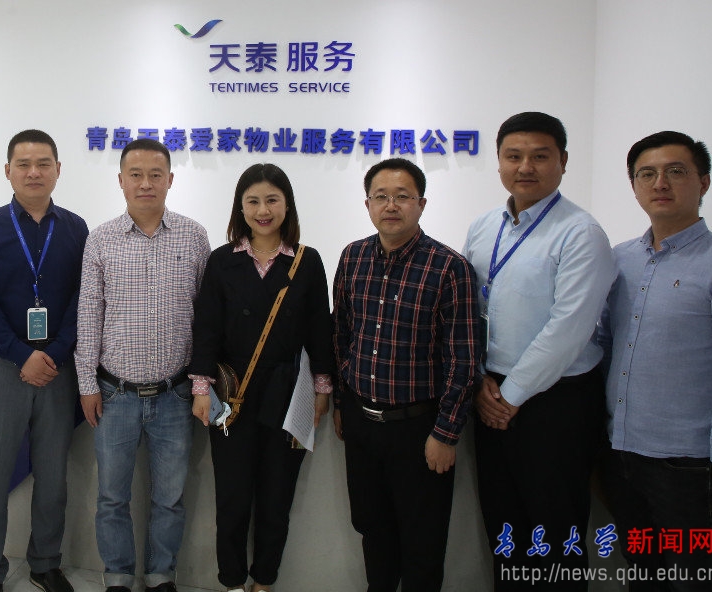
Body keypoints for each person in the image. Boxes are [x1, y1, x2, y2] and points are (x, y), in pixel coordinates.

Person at [463, 111, 615, 590]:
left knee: (555, 529)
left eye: (540, 156)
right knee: (504, 527)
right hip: (491, 393)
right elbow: (469, 311)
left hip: (556, 403)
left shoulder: (581, 232)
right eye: (514, 156)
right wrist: (481, 380)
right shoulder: (484, 227)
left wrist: (510, 395)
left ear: (563, 161)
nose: (525, 167)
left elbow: (568, 328)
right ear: (499, 162)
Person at [331, 158, 481, 592]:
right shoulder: (353, 257)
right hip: (362, 424)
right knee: (372, 529)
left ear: (422, 204)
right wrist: (342, 403)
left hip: (419, 430)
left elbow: (463, 358)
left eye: (402, 196)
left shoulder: (449, 267)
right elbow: (341, 333)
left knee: (423, 541)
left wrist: (446, 433)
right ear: (367, 204)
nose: (391, 205)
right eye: (381, 196)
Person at [190, 163, 332, 592]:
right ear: (240, 207)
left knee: (277, 497)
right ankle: (233, 582)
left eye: (272, 200)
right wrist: (201, 388)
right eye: (252, 201)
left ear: (287, 205)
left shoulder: (307, 261)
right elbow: (207, 328)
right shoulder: (222, 260)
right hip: (231, 395)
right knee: (232, 498)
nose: (262, 210)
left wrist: (322, 388)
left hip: (289, 394)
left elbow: (320, 328)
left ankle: (264, 580)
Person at [75, 138, 210, 592]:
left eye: (156, 175)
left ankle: (160, 575)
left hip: (175, 395)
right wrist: (86, 384)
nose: (146, 183)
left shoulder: (194, 236)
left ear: (170, 179)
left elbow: (207, 317)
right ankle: (117, 575)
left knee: (169, 499)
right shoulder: (101, 238)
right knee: (112, 497)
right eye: (136, 175)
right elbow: (89, 315)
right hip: (115, 394)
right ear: (121, 181)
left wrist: (201, 384)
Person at [597, 131, 712, 591]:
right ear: (634, 186)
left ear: (704, 182)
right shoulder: (620, 260)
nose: (660, 183)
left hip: (689, 465)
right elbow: (604, 344)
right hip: (623, 454)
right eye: (646, 174)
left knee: (696, 580)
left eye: (676, 171)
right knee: (643, 575)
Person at [0, 130, 88, 592]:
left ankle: (45, 563)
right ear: (8, 171)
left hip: (57, 368)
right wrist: (21, 354)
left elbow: (83, 300)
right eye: (23, 164)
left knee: (53, 475)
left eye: (43, 164)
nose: (33, 172)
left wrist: (53, 353)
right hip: (3, 364)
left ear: (58, 169)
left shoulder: (76, 228)